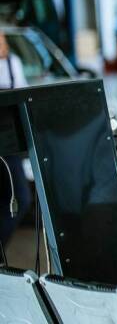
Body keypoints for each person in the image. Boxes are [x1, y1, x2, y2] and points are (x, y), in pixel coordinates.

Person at [0, 30, 32, 247]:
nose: (3, 43)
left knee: (21, 196)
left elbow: (24, 96)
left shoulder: (14, 63)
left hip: (9, 146)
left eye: (3, 38)